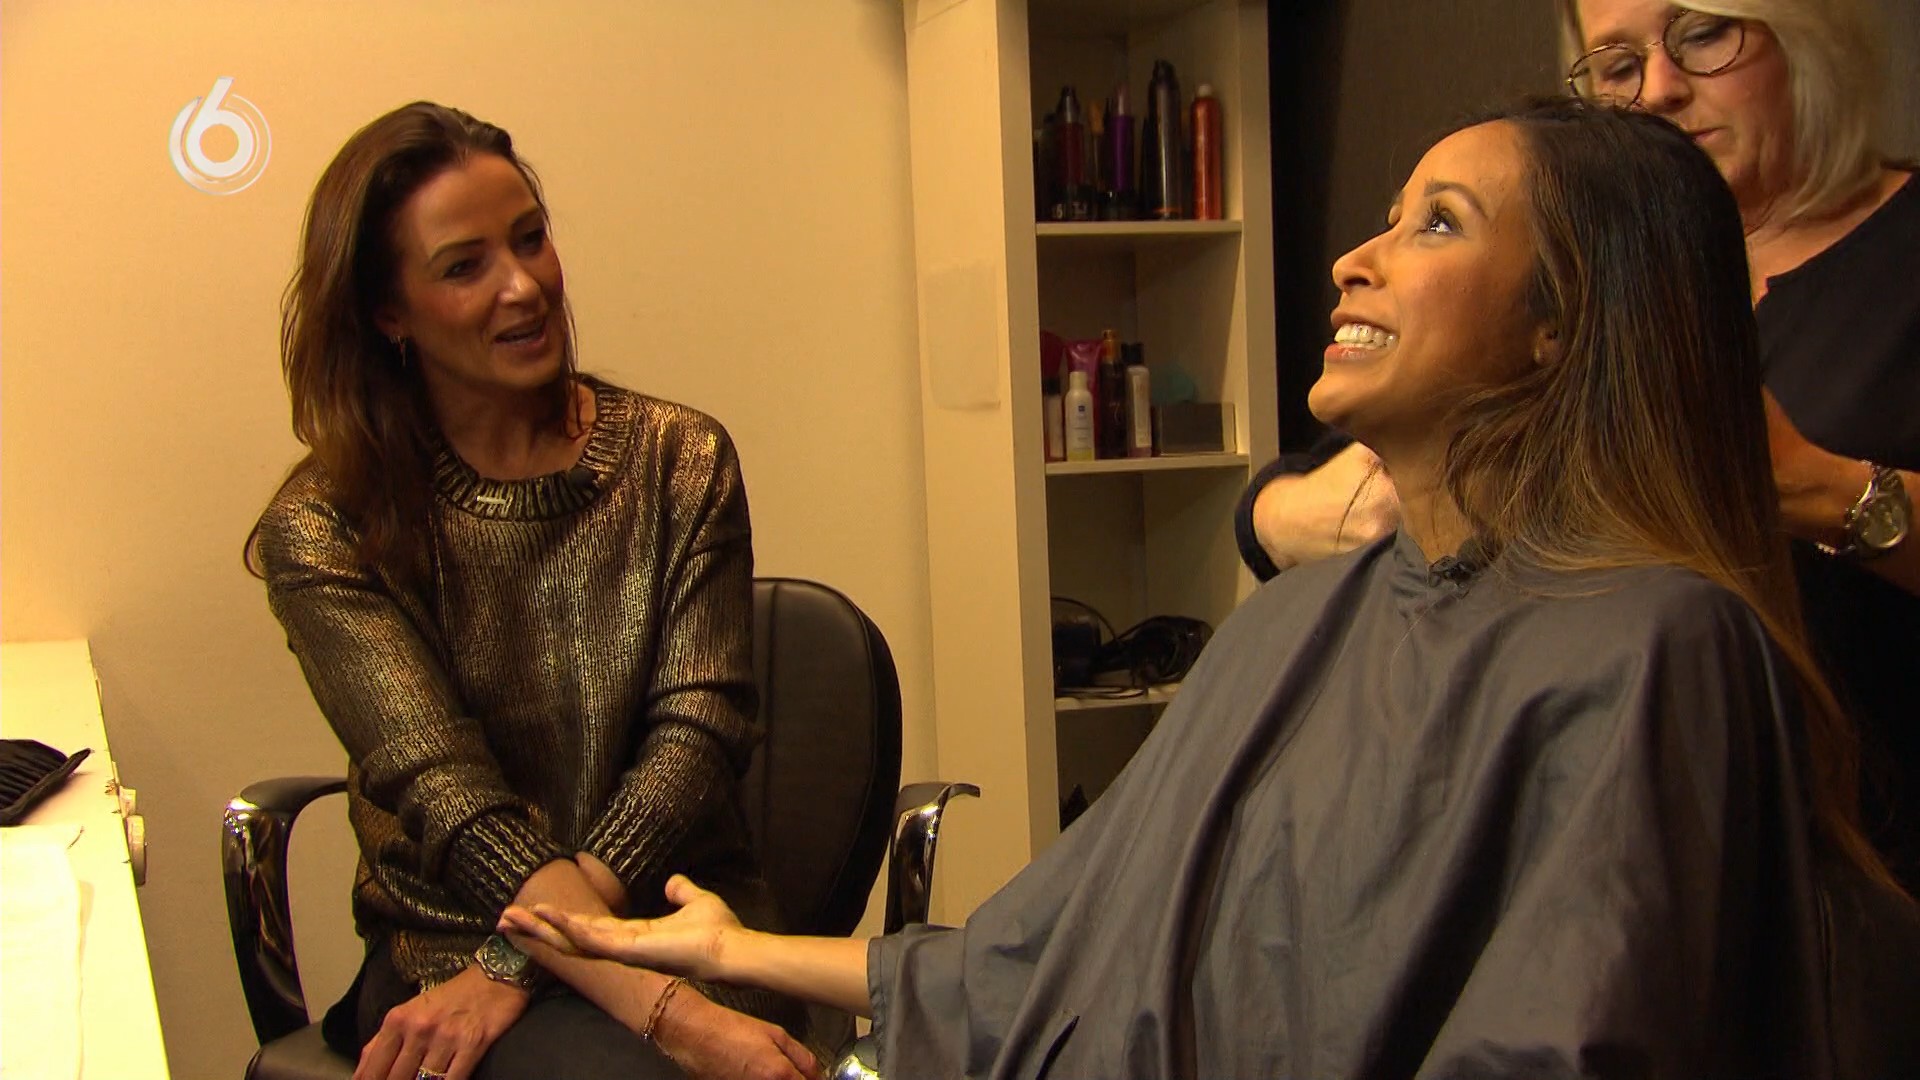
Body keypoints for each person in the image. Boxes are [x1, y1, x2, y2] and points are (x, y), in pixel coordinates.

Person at [502, 100, 1918, 1078]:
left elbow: (1563, 1041)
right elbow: (1045, 959)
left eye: (1437, 226)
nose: (1355, 259)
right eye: (1385, 218)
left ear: (1561, 324)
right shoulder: (1297, 623)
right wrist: (743, 950)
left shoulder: (1656, 648)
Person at [1238, 0, 1920, 891]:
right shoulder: (1577, 280)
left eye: (1704, 36)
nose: (1660, 90)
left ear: (1812, 40)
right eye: (1617, 66)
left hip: (1853, 850)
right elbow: (1306, 488)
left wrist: (1824, 490)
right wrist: (1284, 513)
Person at [249, 102, 819, 1080]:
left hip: (678, 922)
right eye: (463, 266)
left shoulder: (680, 457)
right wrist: (666, 1017)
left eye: (530, 239)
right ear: (389, 313)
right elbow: (455, 801)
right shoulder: (327, 525)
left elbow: (698, 739)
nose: (523, 286)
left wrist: (521, 962)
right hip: (448, 944)